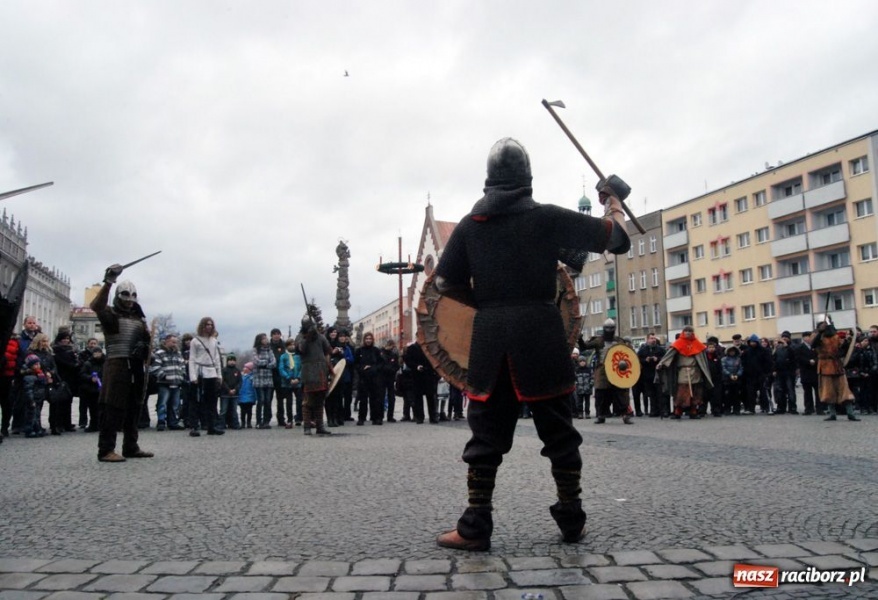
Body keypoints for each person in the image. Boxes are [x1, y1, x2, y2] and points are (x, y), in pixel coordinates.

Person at [432, 137, 631, 551]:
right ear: (527, 179)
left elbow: (445, 282)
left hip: (491, 337)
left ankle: (475, 527)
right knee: (559, 434)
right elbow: (616, 239)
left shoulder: (471, 226)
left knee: (485, 438)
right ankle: (571, 519)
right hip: (541, 335)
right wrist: (612, 200)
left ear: (489, 181)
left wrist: (485, 303)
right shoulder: (547, 219)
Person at [90, 266, 153, 462]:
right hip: (117, 364)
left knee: (135, 407)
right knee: (113, 407)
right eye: (125, 295)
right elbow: (97, 306)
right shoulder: (111, 315)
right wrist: (109, 281)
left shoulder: (139, 319)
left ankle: (131, 446)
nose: (129, 300)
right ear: (119, 296)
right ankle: (106, 449)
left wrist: (147, 344)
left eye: (132, 296)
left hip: (135, 366)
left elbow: (146, 344)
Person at [581, 319, 634, 425]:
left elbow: (627, 354)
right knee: (601, 393)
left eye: (611, 328)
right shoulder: (598, 341)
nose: (609, 330)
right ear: (604, 329)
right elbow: (584, 347)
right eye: (607, 328)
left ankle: (625, 415)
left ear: (614, 329)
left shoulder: (619, 341)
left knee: (621, 393)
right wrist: (579, 339)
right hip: (602, 370)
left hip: (616, 369)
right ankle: (601, 415)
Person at [657, 325, 713, 419]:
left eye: (689, 331)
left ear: (692, 333)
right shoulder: (678, 343)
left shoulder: (697, 344)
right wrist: (662, 363)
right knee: (681, 391)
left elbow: (702, 359)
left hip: (695, 371)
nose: (687, 333)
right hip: (683, 371)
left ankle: (693, 411)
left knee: (695, 391)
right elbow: (669, 355)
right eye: (686, 331)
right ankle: (677, 411)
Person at [812, 321, 859, 421]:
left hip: (837, 366)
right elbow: (813, 344)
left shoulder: (837, 338)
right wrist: (820, 333)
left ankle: (850, 413)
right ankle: (833, 413)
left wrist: (848, 341)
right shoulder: (819, 338)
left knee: (844, 391)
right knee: (828, 392)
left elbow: (843, 350)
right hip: (825, 367)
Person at [295, 314, 333, 435]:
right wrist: (307, 337)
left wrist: (330, 368)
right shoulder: (300, 337)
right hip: (309, 372)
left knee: (320, 401)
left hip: (321, 371)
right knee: (308, 401)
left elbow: (328, 350)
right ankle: (307, 426)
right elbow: (301, 349)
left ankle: (320, 426)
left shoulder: (321, 337)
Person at [188, 317, 225, 436]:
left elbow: (217, 359)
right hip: (199, 371)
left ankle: (211, 426)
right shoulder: (195, 341)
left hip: (211, 371)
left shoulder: (214, 341)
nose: (209, 326)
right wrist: (193, 376)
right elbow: (192, 359)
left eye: (211, 324)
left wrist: (219, 374)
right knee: (196, 400)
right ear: (202, 326)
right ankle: (194, 426)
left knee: (212, 401)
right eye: (207, 324)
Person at [21, 333, 56, 438]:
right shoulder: (31, 353)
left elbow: (54, 367)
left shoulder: (48, 353)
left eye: (46, 341)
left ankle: (38, 426)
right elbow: (27, 367)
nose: (45, 344)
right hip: (34, 381)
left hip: (44, 382)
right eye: (43, 341)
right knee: (32, 408)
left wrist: (51, 373)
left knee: (39, 407)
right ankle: (30, 427)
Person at [150, 334, 186, 431]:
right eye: (173, 342)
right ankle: (161, 422)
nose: (175, 344)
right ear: (167, 341)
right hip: (164, 383)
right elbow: (155, 367)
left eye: (176, 342)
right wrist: (164, 376)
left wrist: (181, 375)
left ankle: (173, 422)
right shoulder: (160, 353)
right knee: (162, 403)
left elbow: (182, 366)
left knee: (175, 404)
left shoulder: (178, 353)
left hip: (176, 382)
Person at [403, 341, 439, 424]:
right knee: (418, 397)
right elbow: (408, 360)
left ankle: (433, 417)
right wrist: (416, 366)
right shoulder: (412, 348)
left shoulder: (429, 347)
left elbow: (434, 359)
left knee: (430, 397)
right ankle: (419, 417)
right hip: (417, 375)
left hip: (429, 374)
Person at [355, 332, 385, 425]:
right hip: (363, 378)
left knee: (375, 398)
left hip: (374, 378)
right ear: (364, 340)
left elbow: (381, 363)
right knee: (363, 399)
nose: (368, 340)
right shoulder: (359, 351)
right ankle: (361, 418)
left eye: (370, 339)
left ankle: (376, 418)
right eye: (367, 339)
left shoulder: (376, 350)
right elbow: (356, 364)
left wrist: (373, 368)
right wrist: (362, 368)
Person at [252, 333, 277, 429]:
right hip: (259, 379)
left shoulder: (269, 350)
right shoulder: (255, 350)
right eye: (263, 339)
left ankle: (266, 421)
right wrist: (266, 363)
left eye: (266, 338)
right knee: (261, 400)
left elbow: (274, 362)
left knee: (268, 400)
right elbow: (256, 362)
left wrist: (265, 365)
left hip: (268, 379)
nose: (266, 340)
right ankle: (259, 421)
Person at [76, 337, 102, 430]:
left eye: (95, 343)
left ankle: (98, 423)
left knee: (97, 407)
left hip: (100, 388)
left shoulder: (104, 362)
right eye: (91, 343)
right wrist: (90, 378)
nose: (97, 354)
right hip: (88, 388)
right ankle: (84, 422)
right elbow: (82, 374)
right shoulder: (87, 362)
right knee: (86, 406)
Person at [637, 333, 664, 417]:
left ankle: (660, 410)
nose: (653, 340)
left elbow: (665, 358)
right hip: (647, 375)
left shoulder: (660, 349)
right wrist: (645, 360)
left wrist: (658, 359)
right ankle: (653, 410)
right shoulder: (643, 350)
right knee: (651, 394)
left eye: (654, 338)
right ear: (647, 339)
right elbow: (638, 359)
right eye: (651, 338)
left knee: (659, 393)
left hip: (658, 374)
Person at [277, 339, 302, 428]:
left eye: (293, 345)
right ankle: (289, 420)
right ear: (286, 346)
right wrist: (289, 378)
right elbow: (281, 369)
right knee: (289, 402)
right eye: (290, 345)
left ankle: (299, 418)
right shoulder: (283, 356)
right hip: (287, 383)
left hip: (298, 382)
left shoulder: (298, 356)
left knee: (299, 401)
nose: (292, 346)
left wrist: (298, 378)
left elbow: (301, 368)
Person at [771, 331, 798, 414]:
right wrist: (774, 370)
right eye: (783, 337)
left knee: (790, 390)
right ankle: (781, 407)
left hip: (789, 372)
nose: (784, 339)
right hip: (780, 372)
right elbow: (774, 359)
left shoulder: (793, 347)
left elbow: (794, 357)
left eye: (786, 337)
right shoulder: (778, 347)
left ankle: (792, 408)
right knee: (780, 391)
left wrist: (787, 347)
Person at [795, 331, 821, 415]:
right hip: (805, 372)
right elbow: (798, 358)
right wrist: (808, 361)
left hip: (815, 372)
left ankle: (819, 409)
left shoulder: (815, 347)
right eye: (809, 337)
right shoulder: (800, 347)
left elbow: (819, 356)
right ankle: (808, 409)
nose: (810, 339)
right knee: (807, 392)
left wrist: (815, 361)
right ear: (804, 338)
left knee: (818, 392)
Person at [269, 328, 287, 427]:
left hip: (280, 375)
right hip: (270, 375)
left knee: (280, 399)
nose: (276, 335)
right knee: (268, 399)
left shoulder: (283, 345)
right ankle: (267, 418)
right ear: (271, 336)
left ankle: (281, 419)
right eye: (274, 334)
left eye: (278, 334)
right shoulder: (268, 346)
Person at [380, 339, 401, 422]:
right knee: (381, 396)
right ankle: (380, 416)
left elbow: (397, 365)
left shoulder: (394, 355)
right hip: (382, 377)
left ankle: (390, 416)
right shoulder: (381, 353)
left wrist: (393, 370)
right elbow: (379, 364)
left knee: (391, 397)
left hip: (391, 378)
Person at [219, 354, 242, 430]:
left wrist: (235, 389)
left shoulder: (237, 371)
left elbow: (240, 382)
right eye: (230, 360)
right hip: (225, 393)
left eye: (233, 360)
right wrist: (228, 390)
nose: (232, 362)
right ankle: (222, 424)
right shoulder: (224, 370)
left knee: (234, 410)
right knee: (223, 410)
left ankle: (235, 424)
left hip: (235, 394)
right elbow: (222, 381)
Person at [721, 345, 744, 415]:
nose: (732, 352)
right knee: (727, 395)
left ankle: (736, 409)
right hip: (727, 379)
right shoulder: (724, 359)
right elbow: (723, 368)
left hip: (736, 379)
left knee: (736, 395)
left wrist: (737, 374)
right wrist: (730, 374)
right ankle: (727, 409)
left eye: (733, 351)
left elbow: (741, 368)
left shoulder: (738, 359)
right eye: (730, 351)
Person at [238, 362, 256, 428]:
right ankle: (243, 423)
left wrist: (255, 397)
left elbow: (254, 389)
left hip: (249, 397)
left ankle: (248, 422)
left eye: (246, 367)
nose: (244, 368)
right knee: (243, 411)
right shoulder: (241, 377)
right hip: (242, 396)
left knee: (249, 411)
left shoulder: (252, 378)